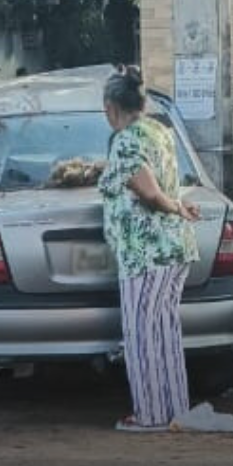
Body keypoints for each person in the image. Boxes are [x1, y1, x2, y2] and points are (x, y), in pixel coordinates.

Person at [97, 66, 201, 432]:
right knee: (165, 332)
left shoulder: (126, 140)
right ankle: (175, 409)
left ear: (111, 107)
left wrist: (176, 207)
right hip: (172, 249)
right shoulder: (159, 131)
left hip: (145, 253)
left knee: (141, 335)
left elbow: (148, 191)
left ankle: (150, 415)